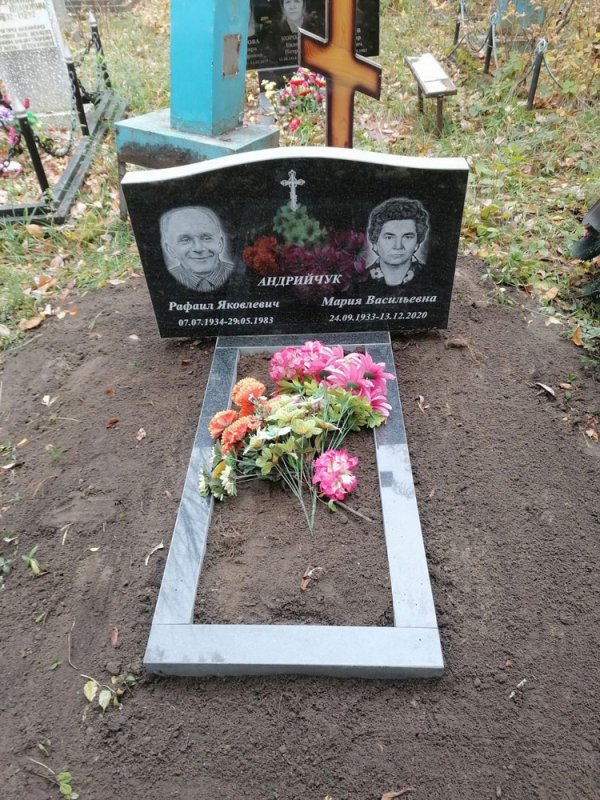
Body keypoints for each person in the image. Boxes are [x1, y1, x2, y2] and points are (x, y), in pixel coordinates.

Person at [160, 206, 234, 292]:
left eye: (206, 238)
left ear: (220, 243)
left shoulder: (238, 273)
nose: (198, 248)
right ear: (170, 249)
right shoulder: (163, 279)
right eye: (185, 240)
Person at [366, 197, 430, 287]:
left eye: (407, 237)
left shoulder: (432, 278)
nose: (398, 246)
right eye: (389, 237)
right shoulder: (357, 280)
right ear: (375, 242)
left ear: (417, 243)